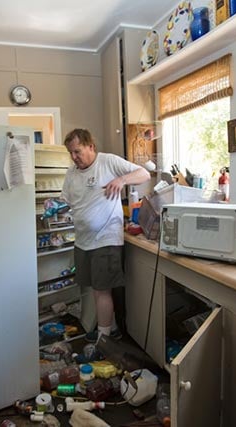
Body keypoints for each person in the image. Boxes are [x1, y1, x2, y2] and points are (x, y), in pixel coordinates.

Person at [60, 129, 151, 342]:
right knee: (94, 289)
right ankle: (108, 329)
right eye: (70, 153)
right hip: (82, 241)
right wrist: (55, 206)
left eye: (77, 151)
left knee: (102, 291)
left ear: (90, 146)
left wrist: (122, 180)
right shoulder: (72, 173)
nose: (74, 157)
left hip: (105, 239)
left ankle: (104, 339)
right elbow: (65, 200)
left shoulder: (107, 162)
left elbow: (144, 174)